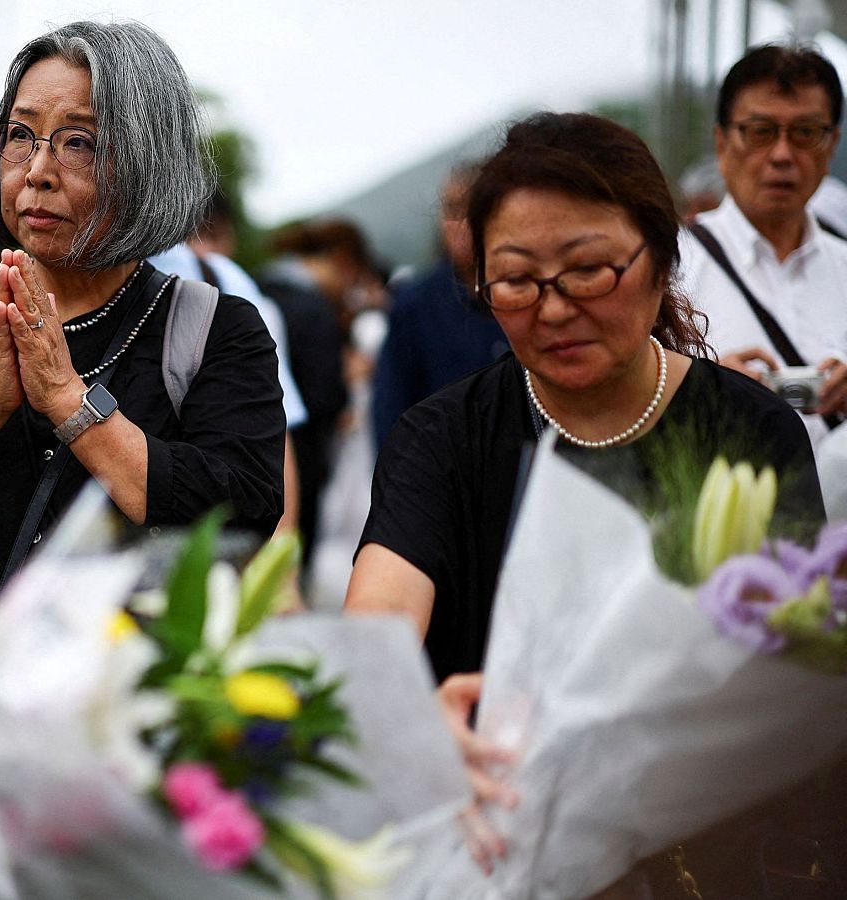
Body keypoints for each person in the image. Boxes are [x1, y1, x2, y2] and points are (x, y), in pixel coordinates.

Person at [344, 112, 825, 880]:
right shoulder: (444, 437)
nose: (555, 307)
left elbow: (798, 660)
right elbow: (380, 619)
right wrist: (405, 722)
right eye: (515, 281)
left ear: (662, 258)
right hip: (501, 843)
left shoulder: (747, 428)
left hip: (714, 849)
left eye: (589, 270)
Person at [0, 20, 284, 632]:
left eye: (78, 142)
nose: (37, 171)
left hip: (125, 699)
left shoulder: (217, 329)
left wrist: (66, 398)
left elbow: (239, 516)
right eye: (20, 136)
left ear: (148, 162)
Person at [680, 43, 847, 445]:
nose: (782, 155)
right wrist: (699, 388)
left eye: (806, 132)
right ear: (721, 144)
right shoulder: (666, 266)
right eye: (760, 132)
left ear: (832, 146)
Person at [148, 190, 308, 536]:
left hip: (200, 550)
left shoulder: (219, 278)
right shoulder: (12, 282)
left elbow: (274, 434)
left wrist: (280, 573)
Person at [370, 161, 509, 451]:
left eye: (473, 209)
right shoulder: (415, 303)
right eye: (451, 210)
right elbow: (390, 407)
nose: (460, 224)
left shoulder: (531, 293)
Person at [256, 220, 362, 548]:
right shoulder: (314, 307)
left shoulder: (255, 286)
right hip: (302, 453)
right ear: (342, 262)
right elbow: (326, 396)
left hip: (252, 445)